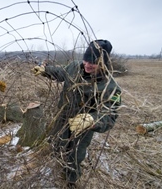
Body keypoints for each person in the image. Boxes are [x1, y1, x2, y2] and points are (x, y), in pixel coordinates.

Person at [31, 39, 122, 186]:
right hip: (62, 118)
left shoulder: (109, 86)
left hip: (83, 127)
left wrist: (91, 120)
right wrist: (46, 70)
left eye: (92, 63)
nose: (87, 65)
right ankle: (56, 169)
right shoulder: (75, 67)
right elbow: (61, 73)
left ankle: (71, 181)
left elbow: (110, 116)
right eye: (86, 60)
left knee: (74, 157)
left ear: (103, 63)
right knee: (57, 144)